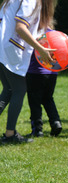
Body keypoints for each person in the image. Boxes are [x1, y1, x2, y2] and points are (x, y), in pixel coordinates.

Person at [0, 0, 56, 144]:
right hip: (9, 50)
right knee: (19, 90)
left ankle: (10, 133)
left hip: (3, 49)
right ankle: (10, 134)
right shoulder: (31, 0)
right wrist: (40, 49)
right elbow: (20, 28)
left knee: (8, 90)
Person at [26, 29, 62, 137]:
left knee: (34, 101)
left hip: (35, 72)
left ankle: (37, 130)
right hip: (52, 72)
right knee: (48, 98)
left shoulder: (31, 33)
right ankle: (56, 123)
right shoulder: (53, 34)